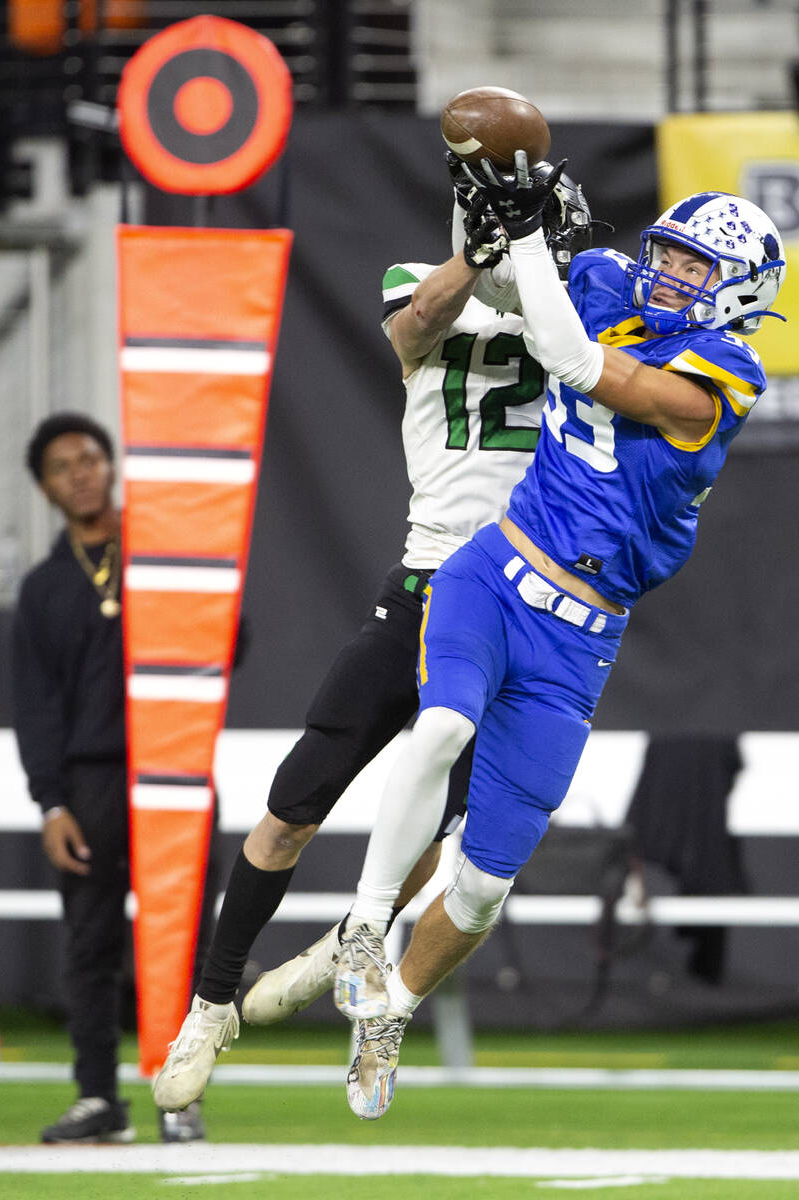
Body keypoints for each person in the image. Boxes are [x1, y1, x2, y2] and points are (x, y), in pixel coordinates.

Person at [329, 167, 786, 1119]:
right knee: (444, 724)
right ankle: (364, 926)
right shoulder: (611, 279)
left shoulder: (727, 375)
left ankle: (393, 1011)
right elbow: (496, 299)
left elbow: (582, 366)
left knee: (487, 884)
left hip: (580, 634)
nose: (666, 273)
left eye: (695, 266)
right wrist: (497, 236)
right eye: (665, 251)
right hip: (492, 568)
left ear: (742, 290)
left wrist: (535, 246)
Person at [151, 160, 597, 1114]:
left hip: (528, 602)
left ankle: (354, 934)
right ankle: (211, 1000)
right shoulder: (427, 282)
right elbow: (415, 324)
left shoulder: (582, 318)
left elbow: (603, 369)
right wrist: (485, 246)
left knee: (460, 831)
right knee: (292, 803)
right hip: (432, 581)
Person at [12, 412, 211, 1144]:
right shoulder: (41, 589)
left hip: (172, 774)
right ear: (45, 487)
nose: (81, 473)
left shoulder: (165, 556)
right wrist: (50, 803)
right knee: (88, 947)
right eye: (63, 466)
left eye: (91, 458)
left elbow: (231, 641)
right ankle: (98, 1098)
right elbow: (34, 708)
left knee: (183, 942)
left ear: (111, 465)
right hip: (89, 785)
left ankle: (181, 1097)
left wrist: (180, 573)